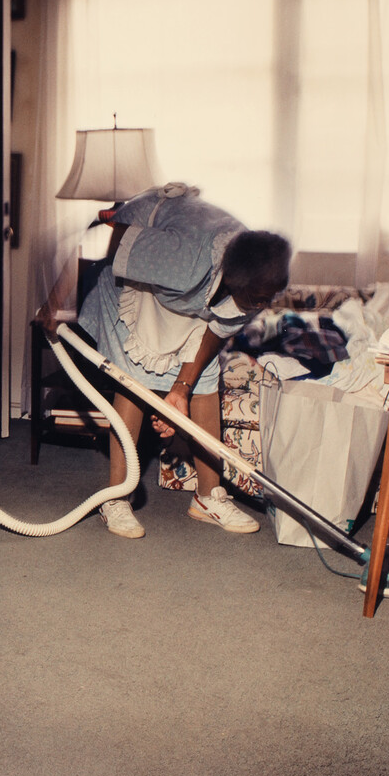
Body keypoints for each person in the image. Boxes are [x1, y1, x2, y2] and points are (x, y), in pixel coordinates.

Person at [76, 182, 290, 539]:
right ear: (234, 282)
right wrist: (55, 299)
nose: (261, 306)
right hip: (132, 282)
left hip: (189, 288)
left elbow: (217, 331)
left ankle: (208, 497)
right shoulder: (183, 258)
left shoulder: (262, 278)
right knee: (133, 382)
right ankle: (116, 498)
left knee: (205, 383)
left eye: (267, 298)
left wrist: (180, 389)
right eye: (256, 298)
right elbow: (110, 250)